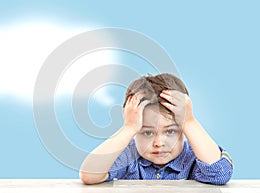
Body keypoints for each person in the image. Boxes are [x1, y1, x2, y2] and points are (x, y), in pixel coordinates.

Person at [79, 73, 233, 185]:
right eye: (147, 132)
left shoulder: (194, 157)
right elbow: (90, 175)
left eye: (171, 131)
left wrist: (190, 122)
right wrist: (129, 127)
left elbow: (219, 174)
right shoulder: (129, 156)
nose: (159, 143)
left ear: (183, 131)